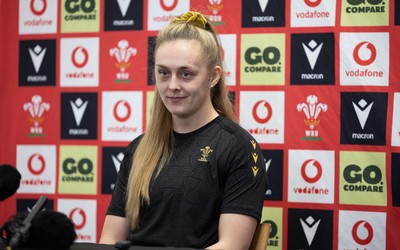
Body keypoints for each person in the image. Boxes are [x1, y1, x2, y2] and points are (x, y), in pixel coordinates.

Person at [99, 11, 267, 250]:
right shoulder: (138, 149)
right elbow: (109, 240)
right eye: (163, 73)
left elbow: (231, 246)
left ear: (213, 77)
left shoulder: (237, 146)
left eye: (186, 74)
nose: (173, 85)